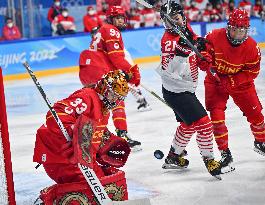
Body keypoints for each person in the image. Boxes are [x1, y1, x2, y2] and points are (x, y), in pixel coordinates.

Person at [33, 70, 131, 204]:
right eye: (113, 95)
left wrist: (105, 144)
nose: (115, 101)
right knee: (92, 191)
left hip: (77, 157)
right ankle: (49, 200)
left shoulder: (103, 109)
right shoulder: (87, 97)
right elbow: (55, 115)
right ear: (103, 88)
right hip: (60, 155)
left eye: (118, 98)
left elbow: (89, 131)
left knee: (104, 183)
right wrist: (74, 131)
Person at [156, 2, 222, 178]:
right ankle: (209, 159)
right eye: (169, 22)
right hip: (176, 91)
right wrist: (182, 53)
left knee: (188, 124)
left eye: (176, 19)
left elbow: (195, 45)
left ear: (183, 17)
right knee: (204, 124)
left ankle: (173, 156)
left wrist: (203, 57)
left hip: (186, 88)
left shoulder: (185, 28)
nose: (174, 24)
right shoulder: (168, 42)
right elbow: (169, 71)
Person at [199, 9, 265, 172]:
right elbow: (202, 53)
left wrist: (232, 81)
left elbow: (253, 72)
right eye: (235, 29)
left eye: (242, 30)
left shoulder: (252, 48)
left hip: (241, 84)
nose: (238, 34)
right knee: (217, 117)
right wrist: (203, 61)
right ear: (229, 27)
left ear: (247, 30)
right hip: (215, 82)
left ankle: (261, 142)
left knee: (256, 115)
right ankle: (225, 153)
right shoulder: (213, 36)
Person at [79, 6, 144, 151]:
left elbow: (108, 57)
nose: (121, 20)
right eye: (118, 18)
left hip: (89, 71)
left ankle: (89, 137)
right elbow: (116, 57)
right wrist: (131, 72)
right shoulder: (111, 30)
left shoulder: (103, 30)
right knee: (116, 102)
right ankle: (121, 136)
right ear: (110, 19)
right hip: (99, 71)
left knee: (100, 105)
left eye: (122, 17)